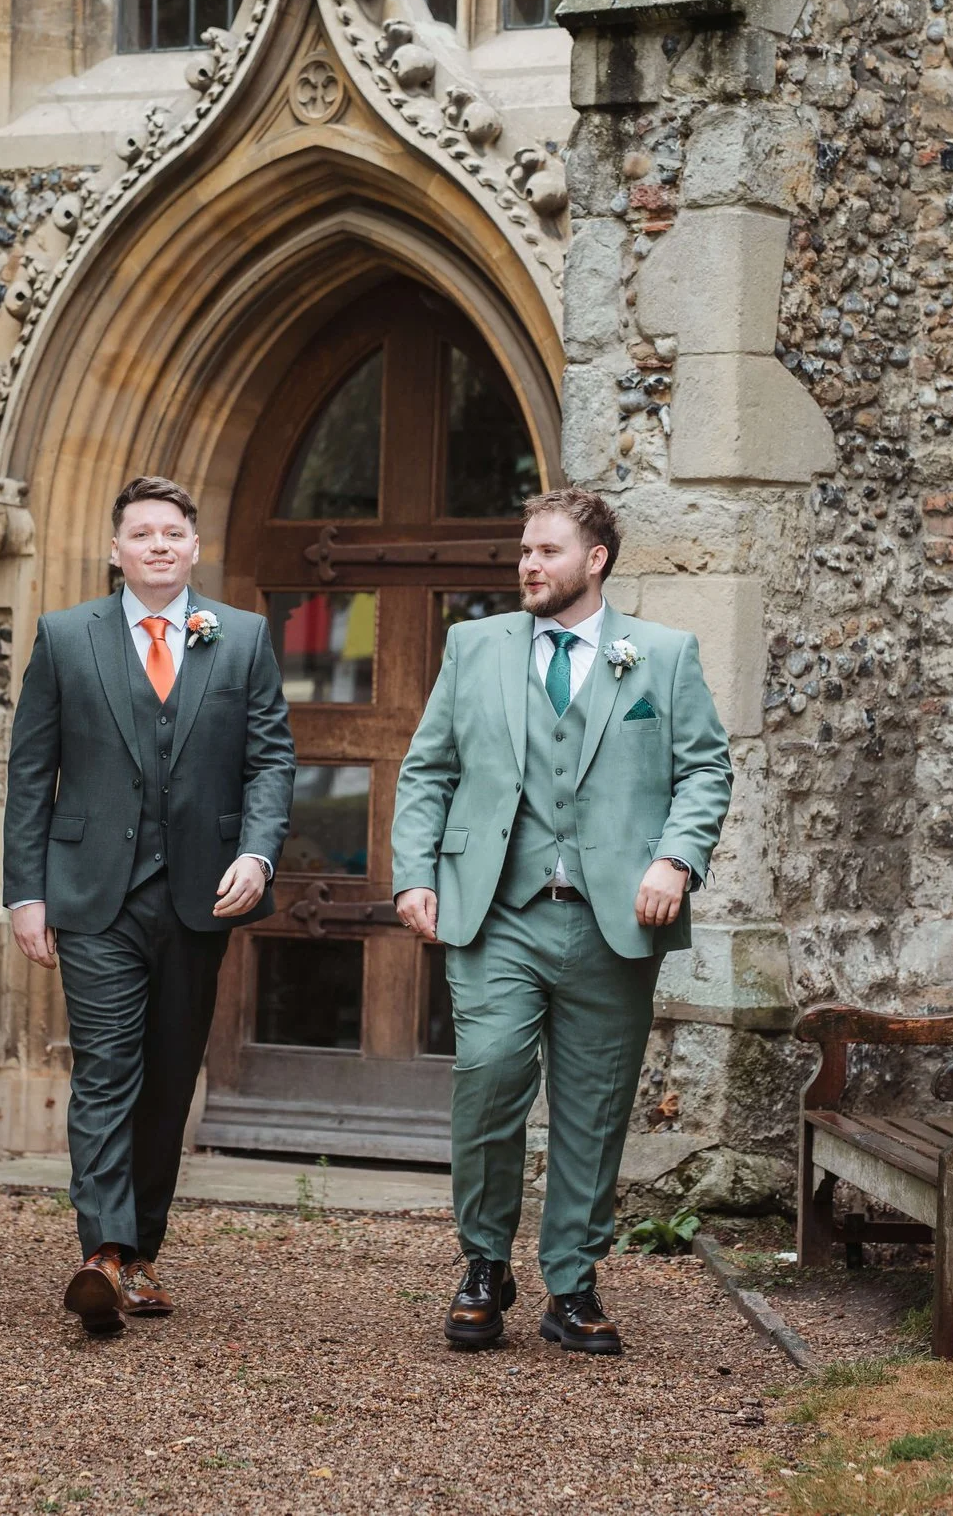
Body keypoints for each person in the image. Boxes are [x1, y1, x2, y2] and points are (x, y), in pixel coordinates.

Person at [392, 487, 733, 1356]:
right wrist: (413, 875)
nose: (529, 565)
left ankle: (572, 1284)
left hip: (611, 920)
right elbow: (427, 768)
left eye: (547, 551)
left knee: (592, 1107)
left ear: (597, 560)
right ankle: (482, 1264)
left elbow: (706, 770)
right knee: (490, 1077)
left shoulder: (661, 654)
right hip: (494, 911)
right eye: (524, 551)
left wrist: (676, 857)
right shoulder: (473, 647)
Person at [4, 475, 296, 1334]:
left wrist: (258, 849)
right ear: (116, 550)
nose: (159, 545)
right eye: (142, 533)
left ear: (194, 548)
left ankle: (141, 1254)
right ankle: (101, 1250)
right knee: (105, 1068)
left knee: (168, 1078)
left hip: (200, 892)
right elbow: (31, 772)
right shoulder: (65, 637)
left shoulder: (240, 637)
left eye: (173, 533)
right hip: (94, 893)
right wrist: (28, 891)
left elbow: (271, 760)